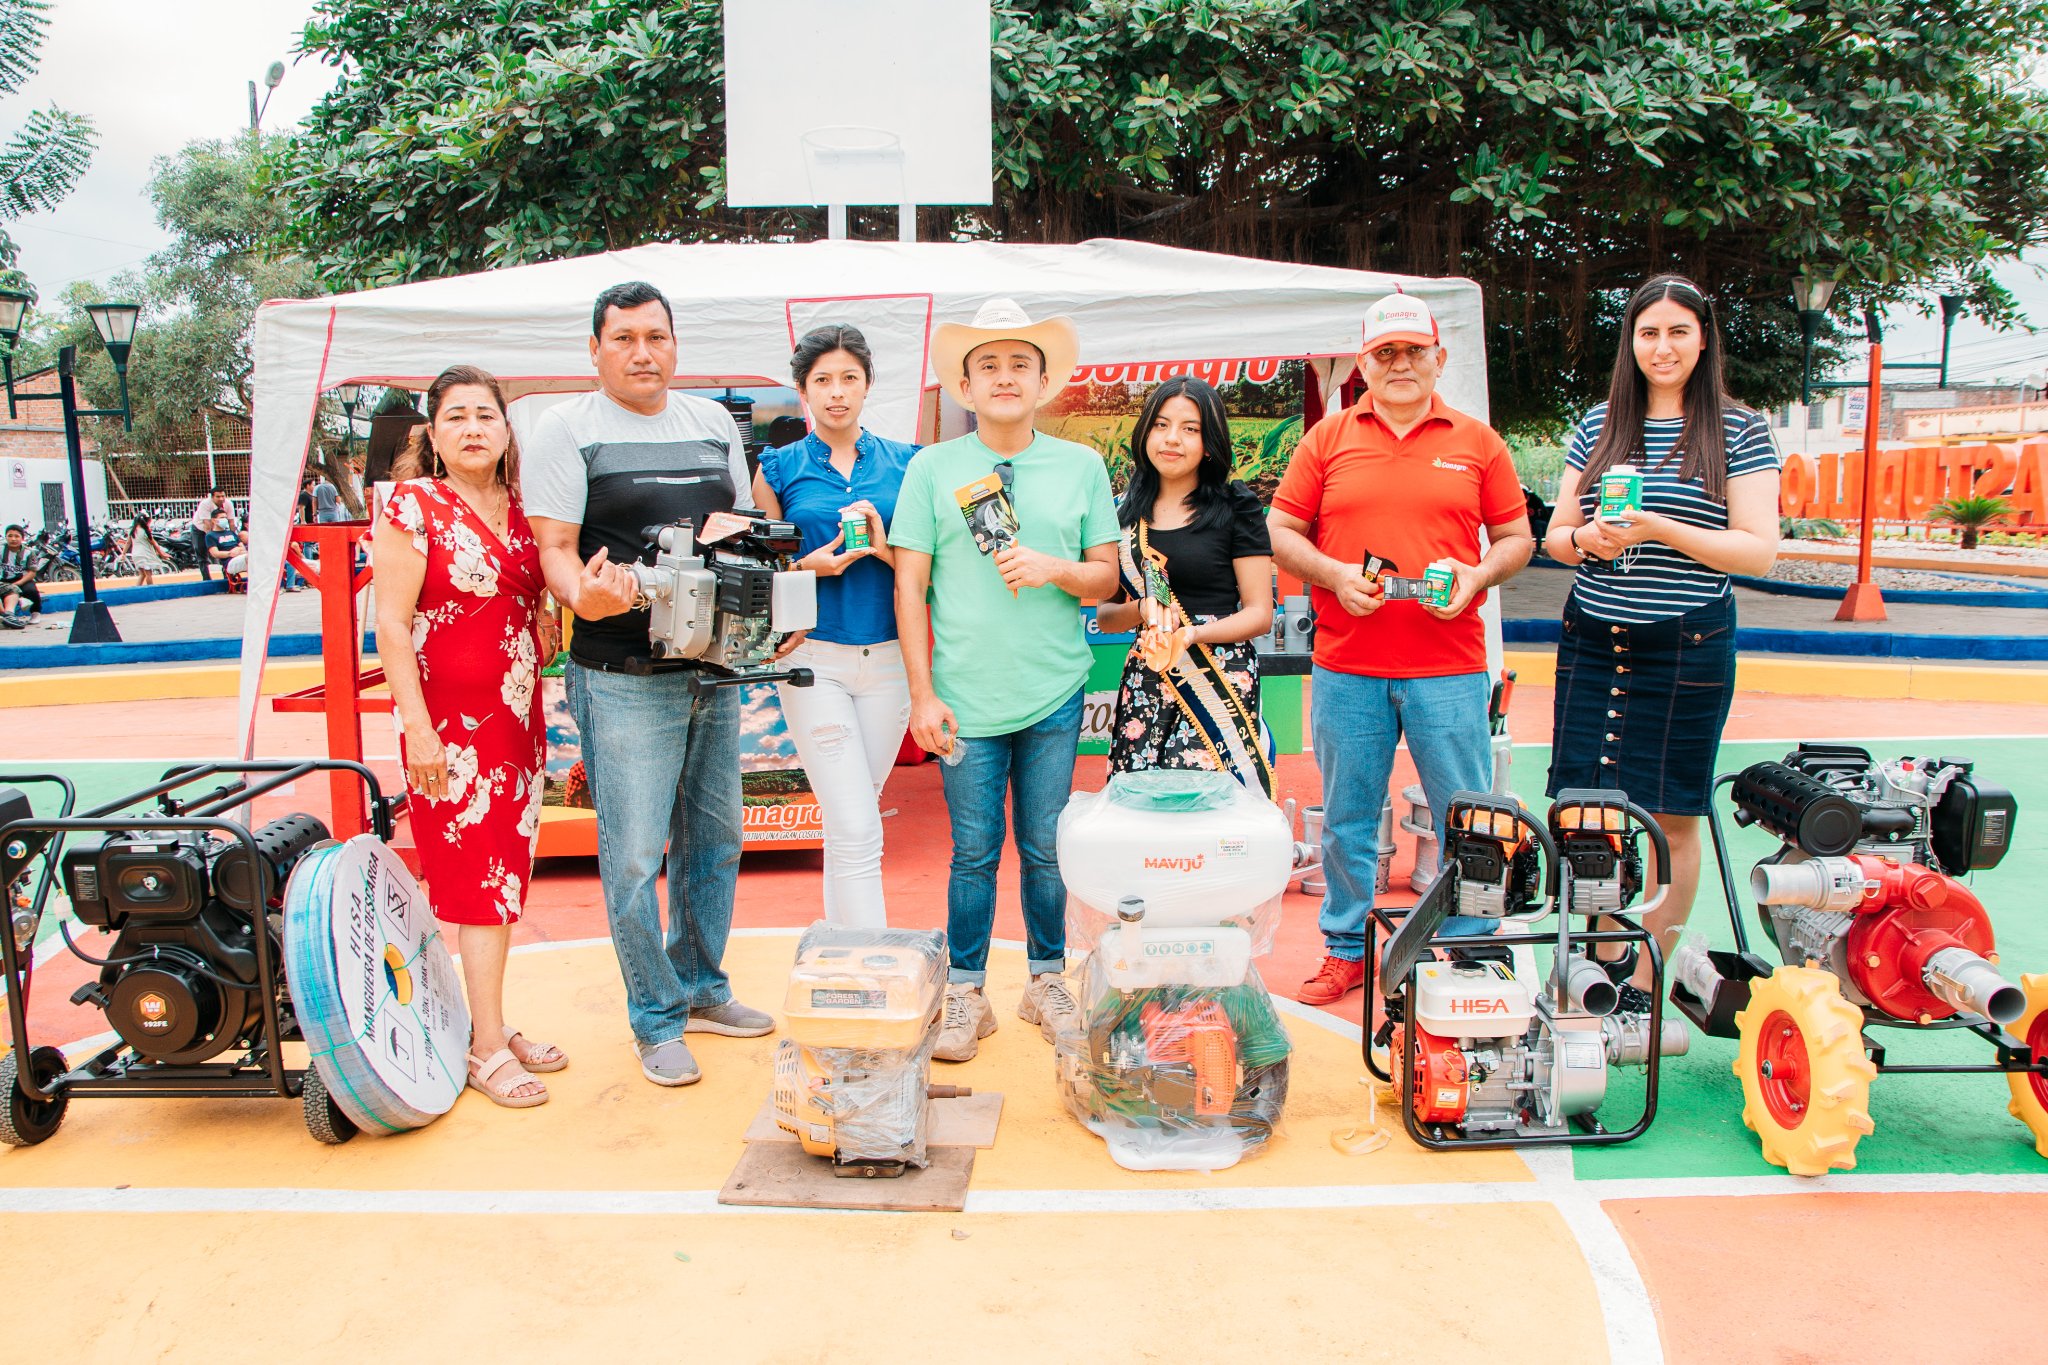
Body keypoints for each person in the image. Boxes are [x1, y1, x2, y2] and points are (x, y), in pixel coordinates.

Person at [525, 280, 775, 1088]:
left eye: (656, 337)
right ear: (594, 349)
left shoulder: (711, 423)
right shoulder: (568, 428)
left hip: (714, 666)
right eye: (624, 338)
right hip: (622, 674)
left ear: (675, 345)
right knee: (634, 856)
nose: (643, 352)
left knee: (717, 839)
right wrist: (582, 594)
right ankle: (657, 1017)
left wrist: (771, 603)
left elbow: (739, 529)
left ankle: (701, 986)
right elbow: (555, 548)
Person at [1268, 293, 1535, 1006]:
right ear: (1364, 363)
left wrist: (1476, 575)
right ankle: (1345, 948)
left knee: (1468, 819)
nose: (1401, 364)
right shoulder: (1326, 439)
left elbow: (1517, 540)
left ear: (1439, 358)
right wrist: (1333, 575)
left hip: (1449, 666)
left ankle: (1468, 947)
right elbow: (1281, 531)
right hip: (1348, 665)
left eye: (1415, 351)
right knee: (1348, 820)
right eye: (1385, 352)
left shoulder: (1479, 443)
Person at [1542, 274, 1781, 1009]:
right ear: (1632, 342)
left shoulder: (1739, 429)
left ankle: (1646, 982)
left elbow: (1758, 550)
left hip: (1687, 644)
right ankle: (1599, 969)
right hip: (1593, 636)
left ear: (1703, 340)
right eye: (1649, 332)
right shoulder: (1599, 424)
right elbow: (1554, 537)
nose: (1663, 346)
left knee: (1673, 817)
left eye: (1679, 331)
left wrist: (1657, 529)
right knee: (1590, 813)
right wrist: (1588, 539)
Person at [891, 298, 1120, 1062]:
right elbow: (909, 585)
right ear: (964, 385)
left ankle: (1046, 979)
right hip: (963, 699)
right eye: (987, 364)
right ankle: (965, 992)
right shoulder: (931, 468)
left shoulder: (1081, 466)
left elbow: (1106, 577)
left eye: (1020, 362)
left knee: (1047, 848)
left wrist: (1053, 568)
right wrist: (922, 693)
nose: (1004, 376)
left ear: (1044, 380)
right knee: (973, 851)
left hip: (1052, 691)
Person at [371, 364, 564, 1109]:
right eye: (456, 417)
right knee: (479, 884)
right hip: (447, 731)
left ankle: (493, 1021)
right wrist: (418, 731)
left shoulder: (524, 508)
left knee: (504, 877)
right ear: (432, 433)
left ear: (507, 430)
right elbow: (392, 626)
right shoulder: (413, 507)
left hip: (516, 722)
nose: (473, 428)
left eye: (486, 415)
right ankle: (486, 1049)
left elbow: (535, 594)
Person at [752, 325, 918, 928]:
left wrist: (884, 548)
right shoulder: (777, 468)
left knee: (855, 817)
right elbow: (759, 576)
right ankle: (872, 958)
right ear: (803, 390)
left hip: (892, 660)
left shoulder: (909, 464)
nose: (837, 392)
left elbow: (929, 569)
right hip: (812, 661)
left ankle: (840, 952)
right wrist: (806, 566)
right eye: (822, 380)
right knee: (854, 823)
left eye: (849, 378)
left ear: (868, 384)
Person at [1095, 375, 1276, 793]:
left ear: (1209, 442)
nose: (1172, 438)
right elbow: (1105, 617)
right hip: (1148, 675)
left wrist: (1192, 634)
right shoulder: (1120, 514)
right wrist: (1142, 610)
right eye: (1161, 425)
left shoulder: (1237, 506)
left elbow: (1259, 614)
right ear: (1145, 433)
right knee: (1141, 802)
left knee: (1207, 805)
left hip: (1219, 674)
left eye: (1190, 429)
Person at [1, 524, 41, 623]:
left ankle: (35, 613)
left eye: (16, 536)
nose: (13, 539)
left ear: (22, 538)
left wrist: (18, 583)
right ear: (6, 537)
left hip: (22, 579)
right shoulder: (1, 549)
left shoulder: (29, 552)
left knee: (31, 591)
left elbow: (32, 572)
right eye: (10, 536)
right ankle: (7, 615)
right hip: (3, 580)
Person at [189, 489, 229, 580]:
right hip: (200, 529)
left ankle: (227, 576)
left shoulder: (228, 504)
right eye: (218, 496)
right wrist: (212, 540)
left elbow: (231, 521)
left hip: (220, 529)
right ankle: (206, 578)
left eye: (223, 496)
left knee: (225, 552)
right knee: (202, 555)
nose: (221, 499)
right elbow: (207, 525)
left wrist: (231, 536)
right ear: (212, 497)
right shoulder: (205, 504)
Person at [204, 514, 248, 592]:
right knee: (250, 557)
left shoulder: (231, 533)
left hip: (241, 556)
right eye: (222, 517)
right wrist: (230, 553)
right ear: (214, 520)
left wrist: (237, 550)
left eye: (225, 517)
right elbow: (215, 553)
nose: (225, 519)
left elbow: (242, 548)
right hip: (230, 562)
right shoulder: (210, 536)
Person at [127, 514, 168, 586]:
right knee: (148, 574)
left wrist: (123, 554)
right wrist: (162, 554)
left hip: (136, 554)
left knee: (142, 574)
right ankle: (150, 589)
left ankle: (137, 589)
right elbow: (154, 544)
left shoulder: (132, 531)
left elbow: (128, 543)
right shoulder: (145, 531)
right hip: (144, 554)